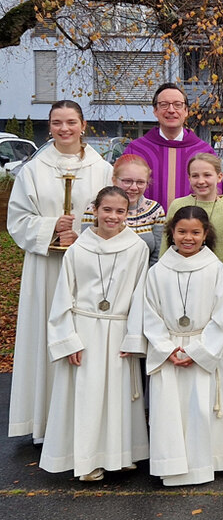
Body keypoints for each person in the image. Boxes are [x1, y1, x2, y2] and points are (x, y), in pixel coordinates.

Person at [7, 100, 113, 441]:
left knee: (85, 338)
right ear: (49, 126)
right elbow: (18, 220)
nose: (64, 129)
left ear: (83, 125)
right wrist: (53, 227)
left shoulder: (101, 169)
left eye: (70, 122)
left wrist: (80, 233)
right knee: (47, 334)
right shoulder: (33, 170)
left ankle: (84, 421)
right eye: (56, 123)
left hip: (88, 267)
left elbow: (112, 214)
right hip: (46, 268)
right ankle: (46, 421)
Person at [40, 186, 150, 481]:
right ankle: (87, 461)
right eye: (107, 210)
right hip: (85, 328)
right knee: (88, 396)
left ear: (128, 213)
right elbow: (64, 295)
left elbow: (141, 295)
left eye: (120, 211)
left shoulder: (137, 248)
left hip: (118, 329)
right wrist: (68, 340)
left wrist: (134, 336)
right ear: (95, 210)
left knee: (118, 395)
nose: (113, 216)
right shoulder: (78, 248)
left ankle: (121, 453)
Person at [145, 206, 223, 486]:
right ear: (171, 233)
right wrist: (167, 348)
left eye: (195, 232)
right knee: (170, 414)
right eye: (182, 232)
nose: (188, 238)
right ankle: (172, 465)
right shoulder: (158, 271)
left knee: (201, 410)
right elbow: (150, 314)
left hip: (206, 348)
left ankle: (207, 464)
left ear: (206, 234)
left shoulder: (215, 269)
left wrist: (197, 352)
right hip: (171, 351)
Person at [122, 83, 215, 208]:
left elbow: (215, 194)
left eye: (177, 105)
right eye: (164, 105)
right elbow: (121, 191)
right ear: (155, 110)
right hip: (145, 224)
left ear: (186, 111)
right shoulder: (136, 150)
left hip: (192, 224)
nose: (171, 110)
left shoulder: (204, 151)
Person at [83, 154, 165, 266]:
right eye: (127, 181)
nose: (134, 187)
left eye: (140, 182)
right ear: (114, 180)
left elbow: (158, 254)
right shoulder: (95, 209)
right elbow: (86, 248)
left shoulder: (155, 210)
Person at [163, 154, 223, 264]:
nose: (201, 181)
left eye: (207, 175)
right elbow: (165, 245)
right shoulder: (177, 205)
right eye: (195, 176)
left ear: (219, 177)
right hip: (180, 273)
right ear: (189, 178)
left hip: (218, 276)